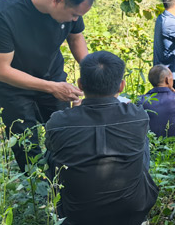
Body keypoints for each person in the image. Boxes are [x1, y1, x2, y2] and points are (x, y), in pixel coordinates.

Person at [0, 0, 94, 171]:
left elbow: (76, 38)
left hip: (52, 75)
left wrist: (91, 71)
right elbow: (0, 70)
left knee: (65, 133)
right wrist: (51, 87)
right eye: (74, 15)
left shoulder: (71, 3)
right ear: (57, 2)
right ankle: (37, 191)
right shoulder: (6, 11)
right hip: (13, 86)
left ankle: (64, 181)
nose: (76, 19)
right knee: (26, 145)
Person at [45, 51, 158, 225]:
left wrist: (75, 110)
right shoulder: (138, 116)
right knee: (142, 141)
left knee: (52, 152)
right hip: (132, 212)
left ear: (80, 84)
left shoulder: (58, 121)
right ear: (121, 86)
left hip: (77, 215)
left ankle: (55, 207)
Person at [137, 65, 175, 137]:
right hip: (174, 145)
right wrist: (173, 91)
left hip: (150, 144)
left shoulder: (141, 100)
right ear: (167, 80)